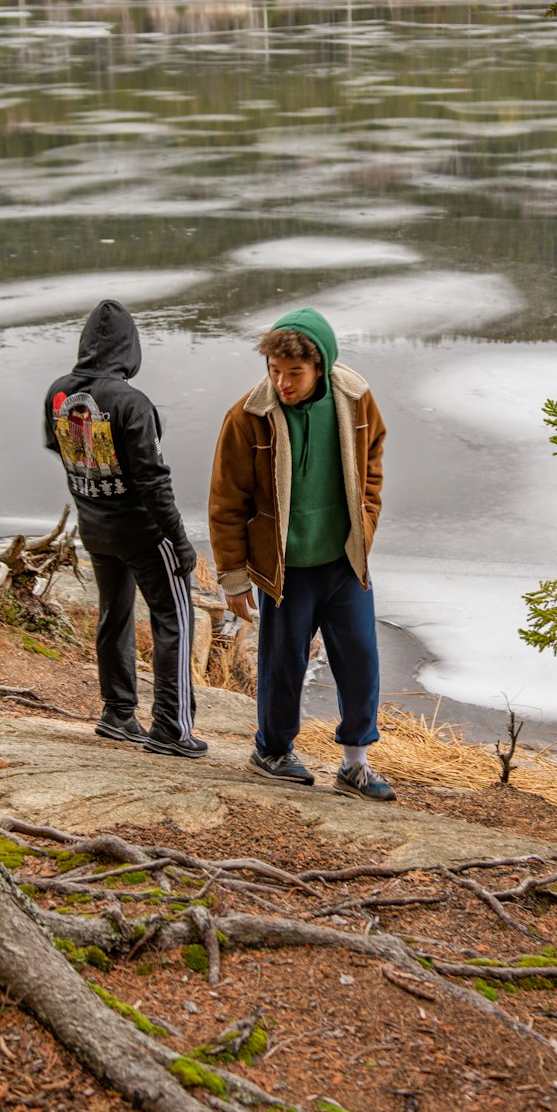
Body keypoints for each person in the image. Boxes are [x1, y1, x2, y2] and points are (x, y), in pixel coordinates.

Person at [209, 308, 395, 801]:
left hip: (342, 562)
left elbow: (372, 461)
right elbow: (226, 503)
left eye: (295, 373)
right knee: (282, 663)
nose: (282, 383)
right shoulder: (248, 417)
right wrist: (233, 578)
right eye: (274, 371)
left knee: (360, 660)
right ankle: (271, 751)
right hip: (286, 570)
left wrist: (366, 521)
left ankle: (355, 763)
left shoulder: (355, 401)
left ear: (321, 367)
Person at [44, 299, 205, 758]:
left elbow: (60, 448)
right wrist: (178, 539)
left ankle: (117, 713)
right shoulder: (132, 403)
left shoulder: (57, 393)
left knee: (114, 616)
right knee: (173, 618)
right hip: (143, 532)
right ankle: (172, 727)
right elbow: (153, 479)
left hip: (94, 528)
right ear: (128, 348)